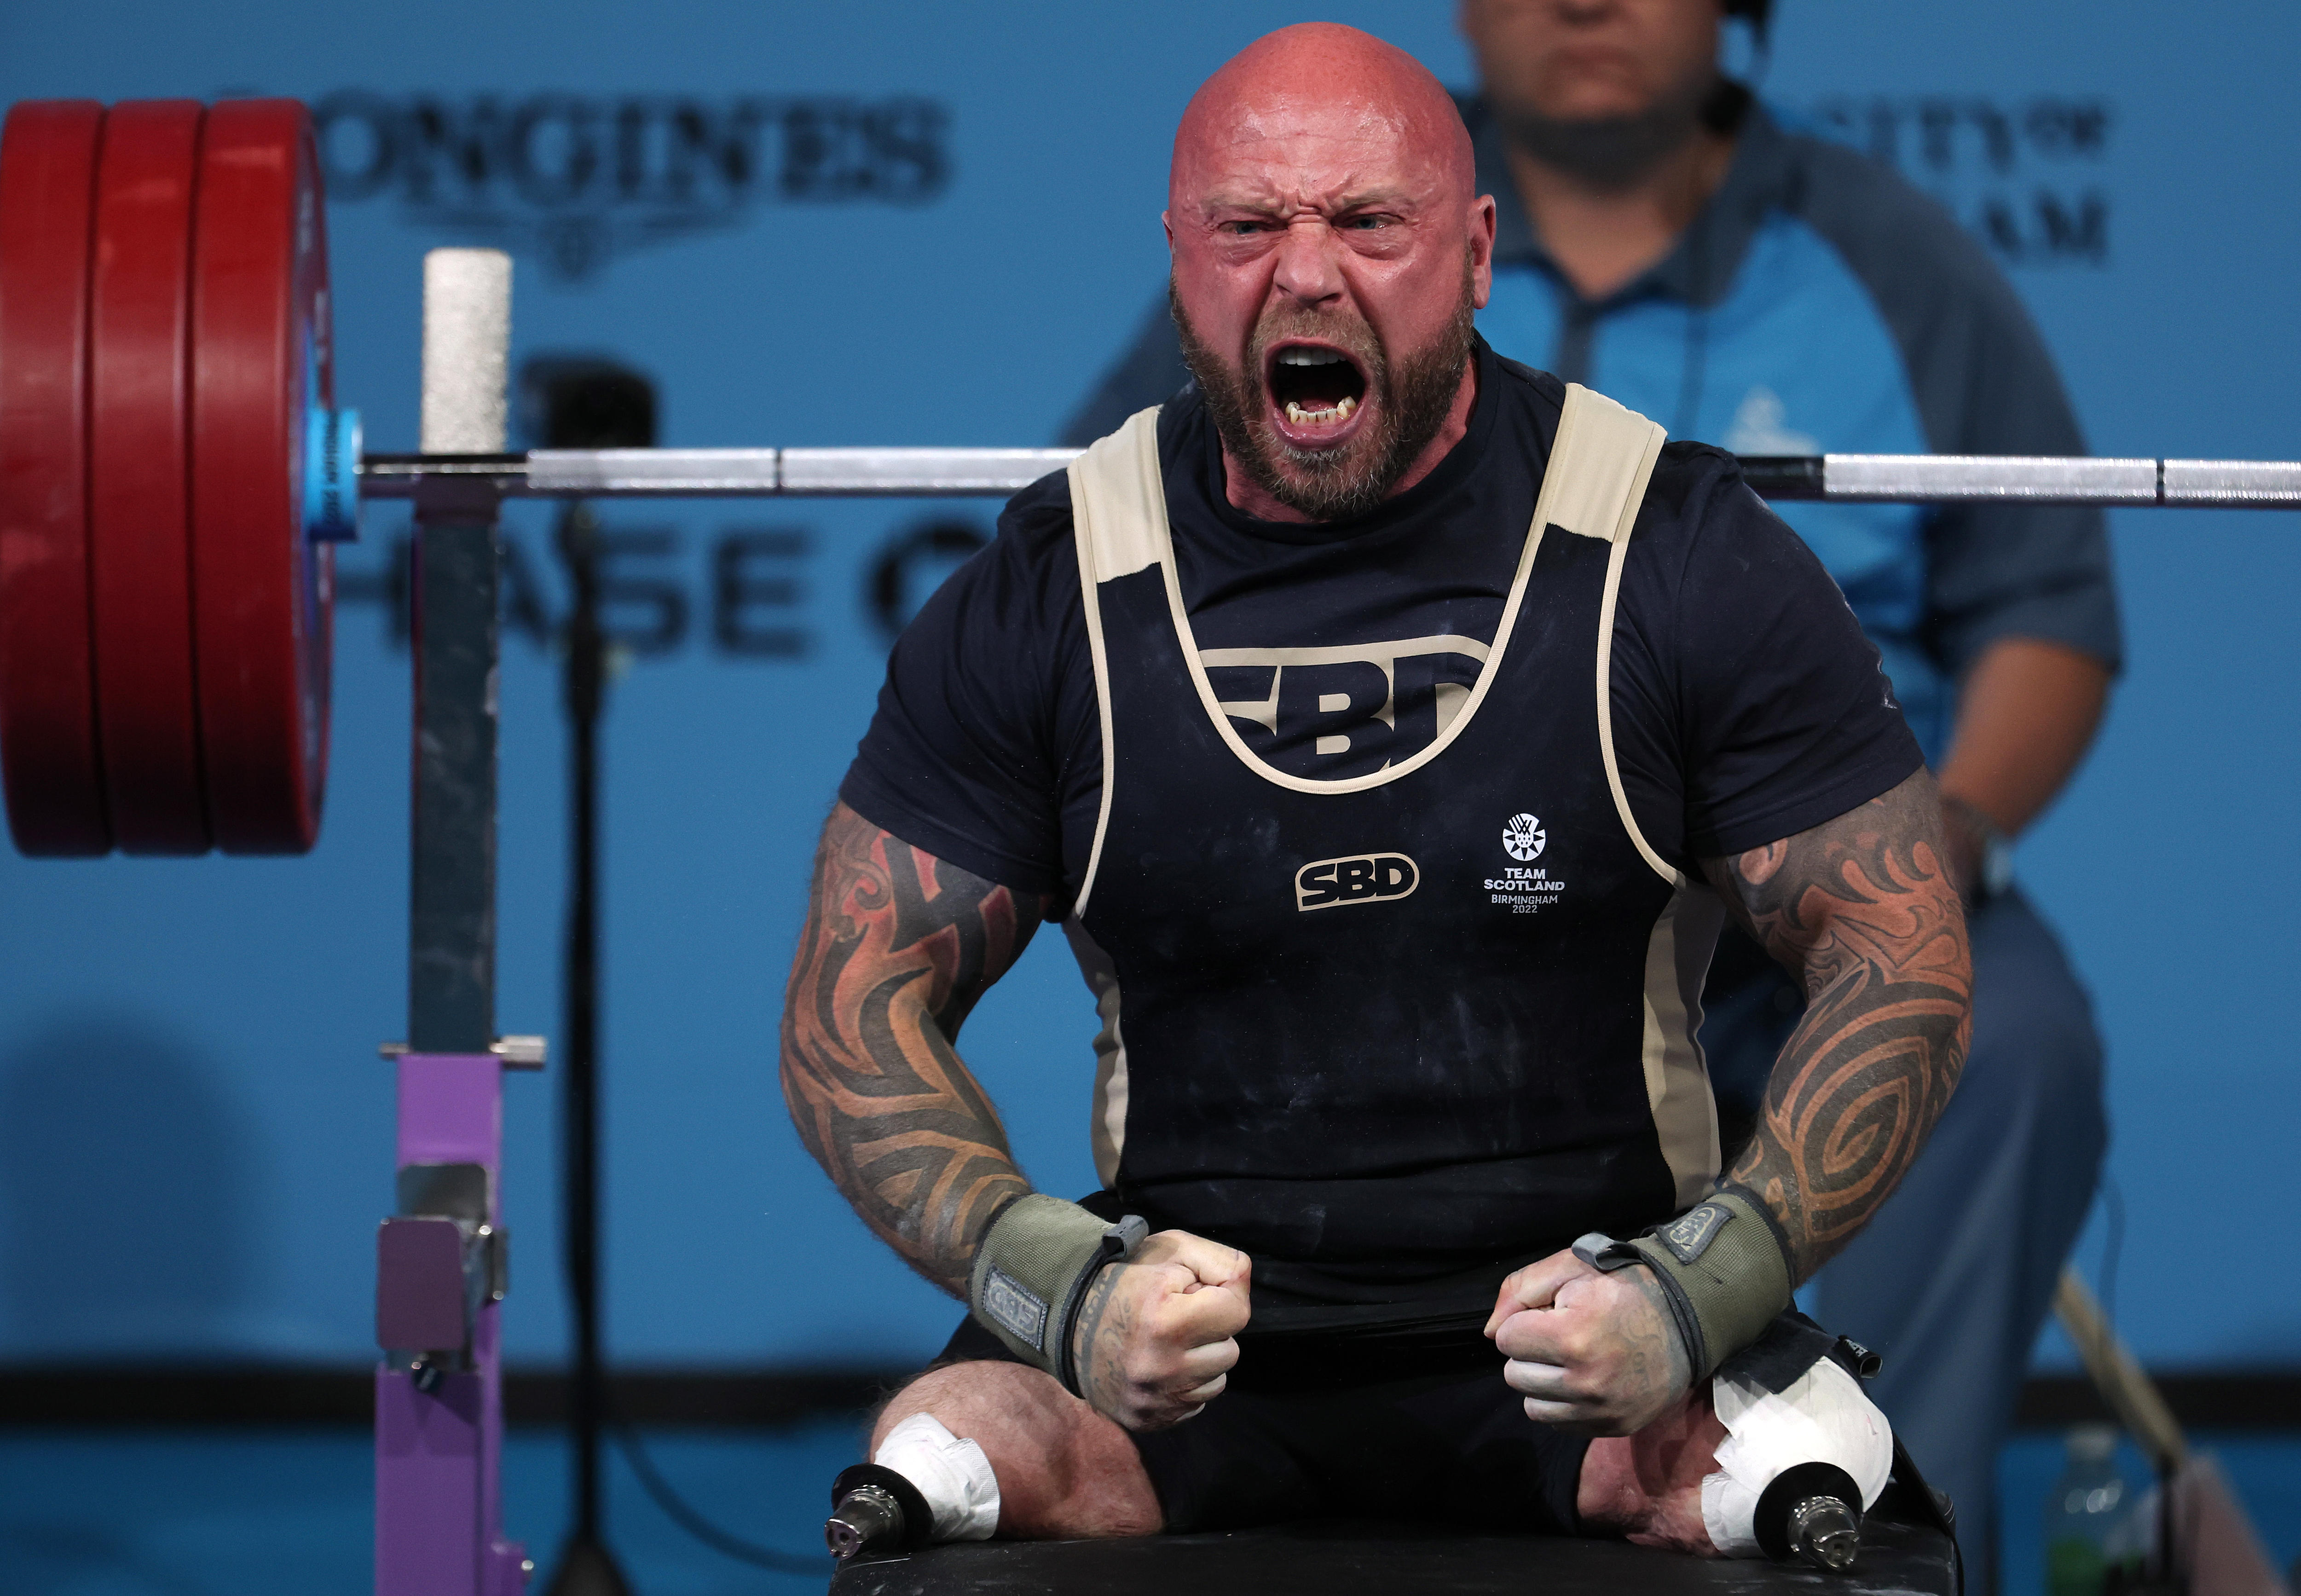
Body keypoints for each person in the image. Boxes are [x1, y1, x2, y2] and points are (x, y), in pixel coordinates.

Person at [783, 22, 1971, 1554]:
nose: (1305, 274)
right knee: (936, 1458)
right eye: (1249, 225)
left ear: (1476, 253)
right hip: (1177, 1375)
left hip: (1593, 1357)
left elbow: (1906, 960)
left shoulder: (1677, 551)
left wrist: (1698, 1294)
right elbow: (844, 1012)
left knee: (1814, 1477)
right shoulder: (1051, 586)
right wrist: (1053, 1285)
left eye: (1367, 221)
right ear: (1178, 257)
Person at [1061, 3, 2116, 1584]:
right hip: (1482, 915)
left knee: (2005, 1026)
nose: (1586, 2)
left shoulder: (1897, 265)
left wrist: (1939, 832)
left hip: (1793, 864)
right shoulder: (1306, 241)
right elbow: (1106, 585)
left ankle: (1845, 1526)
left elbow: (2050, 608)